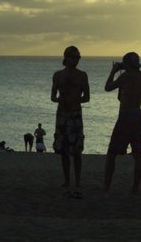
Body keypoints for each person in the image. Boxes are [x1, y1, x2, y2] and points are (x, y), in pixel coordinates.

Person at [103, 52, 141, 193]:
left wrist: (114, 70)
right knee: (137, 153)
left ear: (126, 64)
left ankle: (106, 186)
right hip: (138, 114)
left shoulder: (126, 76)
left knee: (112, 153)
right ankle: (135, 187)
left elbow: (108, 87)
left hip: (125, 116)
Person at [52, 46, 90, 190]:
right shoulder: (58, 75)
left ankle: (78, 181)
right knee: (63, 150)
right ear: (66, 58)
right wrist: (60, 100)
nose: (76, 60)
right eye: (74, 57)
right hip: (62, 114)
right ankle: (67, 180)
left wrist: (74, 100)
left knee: (77, 150)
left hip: (75, 115)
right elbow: (53, 96)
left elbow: (86, 97)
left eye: (78, 57)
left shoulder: (82, 75)